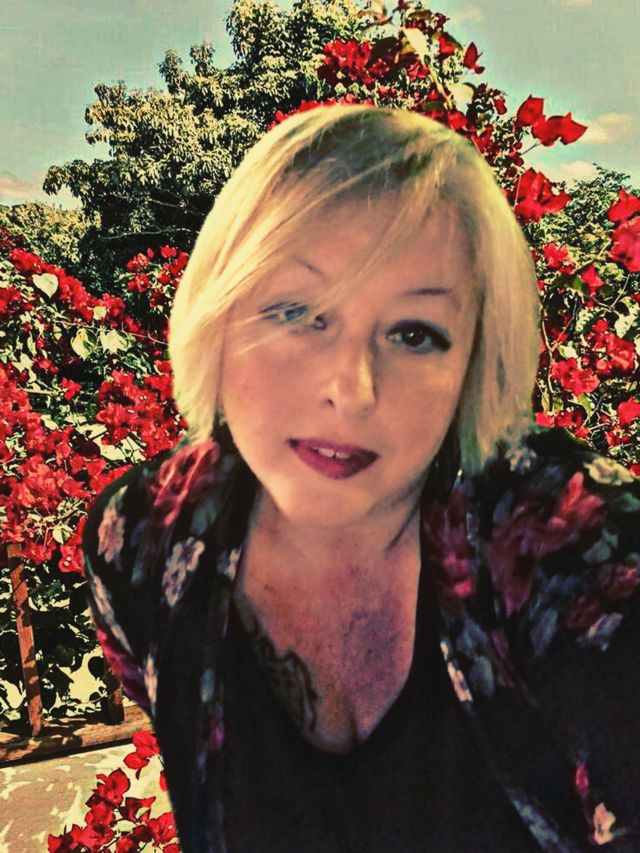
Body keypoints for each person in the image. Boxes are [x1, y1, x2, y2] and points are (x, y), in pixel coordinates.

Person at [82, 105, 640, 852]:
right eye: (298, 311)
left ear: (473, 363)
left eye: (414, 333)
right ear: (218, 312)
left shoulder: (571, 544)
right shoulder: (142, 540)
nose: (352, 390)